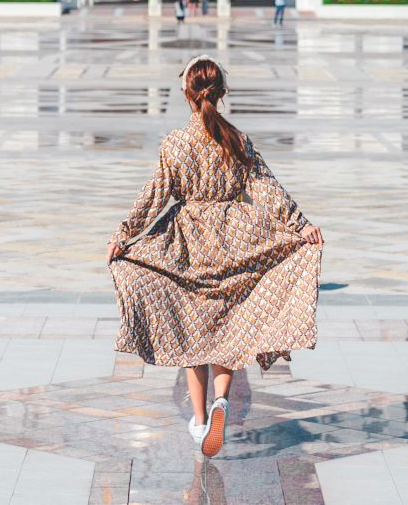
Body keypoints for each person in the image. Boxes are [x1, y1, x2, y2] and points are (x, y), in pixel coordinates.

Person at [107, 56, 324, 456]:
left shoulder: (175, 143)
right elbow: (267, 190)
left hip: (188, 242)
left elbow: (154, 195)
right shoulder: (237, 141)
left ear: (188, 95)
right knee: (229, 326)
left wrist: (124, 236)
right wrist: (300, 225)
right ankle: (224, 398)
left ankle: (201, 418)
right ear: (221, 94)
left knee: (194, 332)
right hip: (237, 235)